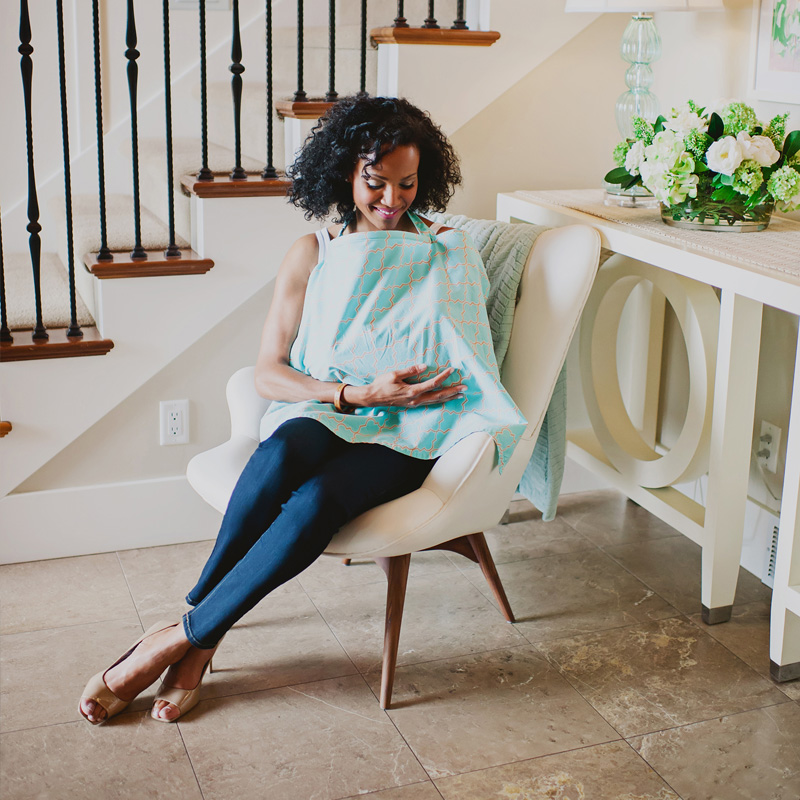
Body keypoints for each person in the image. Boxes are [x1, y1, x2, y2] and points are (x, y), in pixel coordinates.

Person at [79, 96, 526, 725]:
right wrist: (354, 393)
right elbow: (270, 372)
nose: (392, 199)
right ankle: (197, 633)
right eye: (376, 182)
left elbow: (466, 353)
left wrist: (401, 395)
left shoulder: (448, 250)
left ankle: (177, 641)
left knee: (316, 501)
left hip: (416, 427)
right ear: (345, 173)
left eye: (408, 183)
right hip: (342, 406)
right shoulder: (311, 251)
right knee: (284, 448)